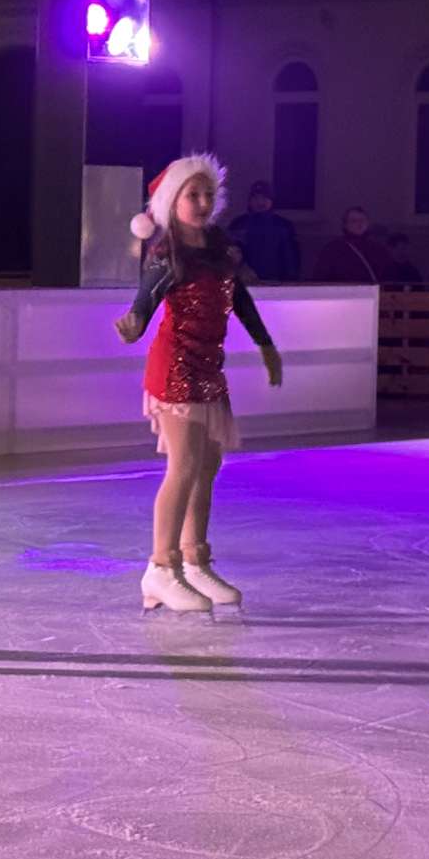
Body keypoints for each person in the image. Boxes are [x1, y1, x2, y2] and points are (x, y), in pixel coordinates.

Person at [115, 156, 283, 614]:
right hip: (175, 368)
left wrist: (266, 344)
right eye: (193, 195)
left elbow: (239, 298)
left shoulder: (219, 248)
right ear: (173, 201)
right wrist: (133, 325)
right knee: (185, 466)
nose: (204, 202)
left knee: (207, 466)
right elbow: (143, 304)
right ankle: (160, 568)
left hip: (209, 367)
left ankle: (194, 562)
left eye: (208, 194)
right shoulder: (167, 254)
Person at [228, 181, 301, 282]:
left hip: (276, 283)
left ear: (272, 201)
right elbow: (231, 256)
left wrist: (290, 281)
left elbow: (291, 259)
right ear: (249, 201)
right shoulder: (238, 224)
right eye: (256, 198)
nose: (260, 202)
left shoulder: (284, 226)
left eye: (265, 198)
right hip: (246, 283)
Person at [310, 206, 397, 284]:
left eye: (362, 220)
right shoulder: (333, 249)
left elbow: (389, 276)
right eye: (354, 221)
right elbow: (321, 277)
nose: (359, 224)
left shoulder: (378, 249)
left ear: (368, 223)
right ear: (345, 225)